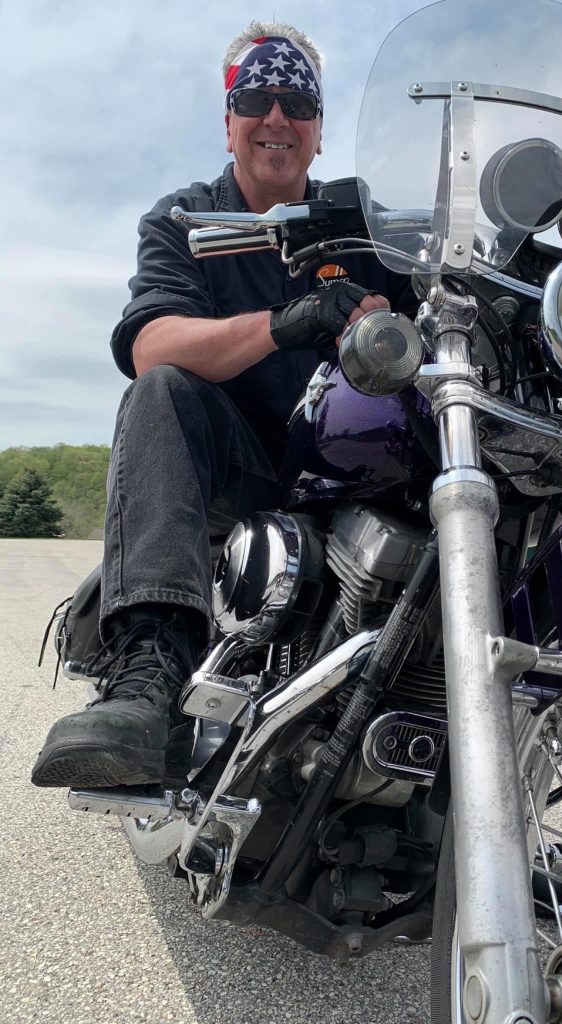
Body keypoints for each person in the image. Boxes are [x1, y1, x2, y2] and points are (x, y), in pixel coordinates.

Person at [31, 21, 413, 790]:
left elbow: (446, 291)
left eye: (297, 102)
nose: (277, 118)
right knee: (162, 387)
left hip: (357, 465)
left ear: (319, 128)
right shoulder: (188, 219)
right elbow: (153, 344)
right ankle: (150, 673)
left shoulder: (370, 226)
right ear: (229, 119)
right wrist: (289, 322)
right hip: (238, 472)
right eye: (258, 99)